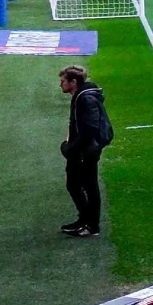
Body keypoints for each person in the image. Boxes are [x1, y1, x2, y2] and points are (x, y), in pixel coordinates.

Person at [58, 64, 113, 238]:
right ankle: (85, 221)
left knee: (87, 186)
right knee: (76, 185)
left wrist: (69, 149)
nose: (60, 84)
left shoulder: (85, 99)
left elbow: (88, 130)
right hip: (83, 149)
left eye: (63, 81)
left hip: (86, 151)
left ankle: (91, 225)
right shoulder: (81, 96)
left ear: (73, 82)